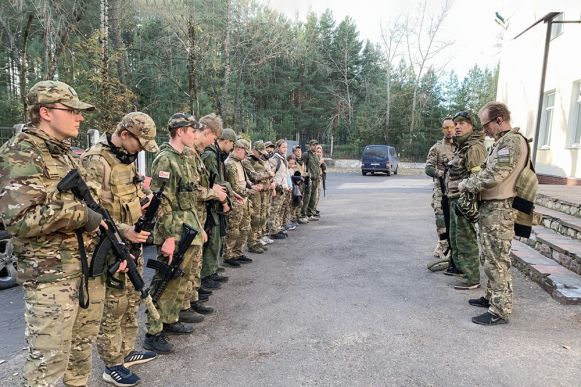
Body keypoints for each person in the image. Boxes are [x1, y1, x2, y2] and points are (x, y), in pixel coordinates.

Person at [0, 80, 107, 387]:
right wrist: (81, 215)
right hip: (51, 280)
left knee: (80, 352)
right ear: (45, 112)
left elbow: (94, 206)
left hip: (84, 270)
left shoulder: (66, 154)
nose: (80, 117)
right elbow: (18, 219)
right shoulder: (20, 152)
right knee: (47, 365)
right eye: (71, 110)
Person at [81, 112, 159, 386]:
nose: (140, 151)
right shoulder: (96, 161)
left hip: (131, 243)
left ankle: (126, 350)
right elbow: (90, 210)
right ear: (125, 135)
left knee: (131, 299)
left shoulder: (125, 160)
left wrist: (145, 201)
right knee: (112, 306)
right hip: (109, 244)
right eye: (139, 144)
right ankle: (112, 363)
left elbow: (131, 195)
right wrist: (126, 231)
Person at [143, 113, 209, 353]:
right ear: (180, 131)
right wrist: (169, 237)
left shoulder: (187, 157)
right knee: (165, 280)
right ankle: (153, 332)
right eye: (192, 130)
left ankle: (170, 320)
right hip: (173, 229)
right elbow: (161, 202)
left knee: (181, 278)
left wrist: (199, 227)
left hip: (189, 224)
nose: (195, 134)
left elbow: (190, 195)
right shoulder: (165, 159)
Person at [459, 102, 530, 325]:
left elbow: (494, 175)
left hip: (500, 209)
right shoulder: (503, 142)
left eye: (485, 125)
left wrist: (466, 184)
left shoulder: (511, 142)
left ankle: (500, 310)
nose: (484, 130)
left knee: (497, 261)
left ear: (499, 120)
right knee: (489, 258)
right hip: (492, 208)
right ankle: (492, 297)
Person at [181, 113, 227, 320]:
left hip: (197, 215)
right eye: (214, 138)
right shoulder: (190, 154)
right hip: (188, 217)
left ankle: (191, 299)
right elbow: (191, 189)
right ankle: (182, 307)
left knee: (194, 264)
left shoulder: (197, 153)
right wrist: (214, 193)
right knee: (184, 268)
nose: (212, 143)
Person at [445, 111, 486, 289]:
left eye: (463, 123)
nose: (458, 126)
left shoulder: (474, 148)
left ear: (472, 125)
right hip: (454, 199)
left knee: (465, 239)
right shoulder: (462, 146)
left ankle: (472, 278)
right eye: (456, 123)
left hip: (464, 201)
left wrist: (468, 203)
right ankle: (463, 269)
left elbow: (477, 177)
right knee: (456, 239)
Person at [200, 127, 239, 290]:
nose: (232, 149)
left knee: (216, 240)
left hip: (215, 202)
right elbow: (214, 181)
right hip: (211, 203)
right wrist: (226, 193)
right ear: (226, 141)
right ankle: (206, 275)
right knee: (211, 240)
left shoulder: (217, 155)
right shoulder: (210, 155)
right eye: (232, 145)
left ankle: (211, 271)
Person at [425, 117, 456, 267]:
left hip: (458, 188)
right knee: (440, 213)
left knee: (457, 217)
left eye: (451, 127)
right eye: (446, 128)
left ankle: (456, 247)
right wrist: (442, 174)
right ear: (442, 130)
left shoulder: (462, 147)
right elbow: (428, 168)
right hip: (441, 188)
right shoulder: (436, 148)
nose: (449, 130)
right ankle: (443, 242)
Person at [223, 139, 259, 266]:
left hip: (243, 200)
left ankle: (237, 252)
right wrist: (250, 191)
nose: (246, 155)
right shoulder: (230, 164)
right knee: (233, 230)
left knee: (244, 228)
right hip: (235, 201)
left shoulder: (239, 162)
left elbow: (245, 180)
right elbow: (234, 187)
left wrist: (250, 186)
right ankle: (228, 255)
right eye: (245, 151)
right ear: (238, 149)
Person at [242, 140, 274, 253]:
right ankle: (252, 242)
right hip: (254, 192)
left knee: (262, 216)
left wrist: (269, 178)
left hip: (264, 191)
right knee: (255, 218)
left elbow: (270, 175)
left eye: (262, 153)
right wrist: (267, 175)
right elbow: (254, 176)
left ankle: (257, 239)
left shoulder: (260, 161)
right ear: (254, 150)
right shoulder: (247, 161)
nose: (261, 155)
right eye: (259, 152)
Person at [267, 139, 291, 239]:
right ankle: (272, 230)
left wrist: (286, 185)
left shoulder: (282, 159)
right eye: (283, 147)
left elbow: (284, 175)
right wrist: (274, 187)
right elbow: (270, 175)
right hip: (277, 189)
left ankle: (277, 227)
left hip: (282, 189)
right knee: (273, 210)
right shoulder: (275, 159)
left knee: (278, 210)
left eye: (286, 147)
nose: (285, 149)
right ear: (278, 147)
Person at [301, 139, 321, 221]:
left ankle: (310, 213)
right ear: (310, 146)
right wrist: (306, 175)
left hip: (316, 179)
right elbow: (302, 165)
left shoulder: (315, 155)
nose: (315, 146)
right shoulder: (306, 154)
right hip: (309, 179)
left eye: (316, 145)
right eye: (313, 145)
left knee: (313, 197)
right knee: (307, 197)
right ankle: (303, 214)